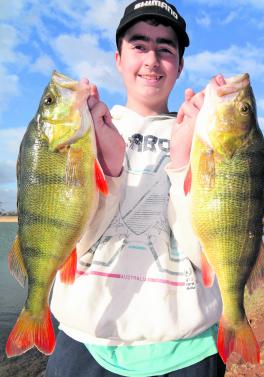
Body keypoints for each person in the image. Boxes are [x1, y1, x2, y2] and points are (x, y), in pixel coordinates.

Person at [45, 1, 226, 376]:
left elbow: (206, 251)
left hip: (188, 349)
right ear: (118, 58)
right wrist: (110, 170)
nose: (152, 59)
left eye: (165, 48)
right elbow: (72, 242)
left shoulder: (205, 135)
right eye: (139, 45)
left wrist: (181, 163)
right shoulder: (84, 129)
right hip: (86, 340)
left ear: (179, 65)